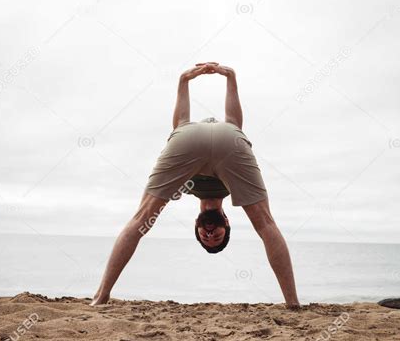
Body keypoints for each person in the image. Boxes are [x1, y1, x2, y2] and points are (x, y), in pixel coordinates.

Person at [91, 63, 300, 308]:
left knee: (142, 218)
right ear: (227, 223)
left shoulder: (185, 186)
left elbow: (181, 122)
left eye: (205, 237)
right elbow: (233, 122)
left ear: (196, 227)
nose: (210, 233)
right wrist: (230, 77)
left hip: (190, 138)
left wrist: (183, 81)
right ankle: (293, 303)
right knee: (265, 222)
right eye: (217, 236)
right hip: (229, 138)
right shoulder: (226, 185)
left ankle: (101, 296)